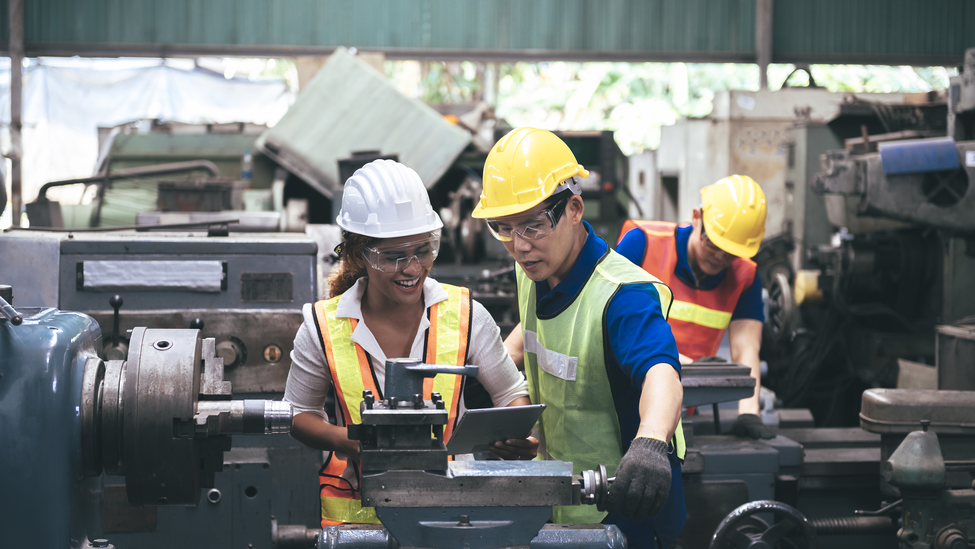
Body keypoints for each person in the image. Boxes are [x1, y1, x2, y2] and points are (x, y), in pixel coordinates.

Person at [283, 159, 538, 528]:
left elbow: (511, 395)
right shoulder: (322, 325)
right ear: (358, 255)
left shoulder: (467, 315)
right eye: (394, 256)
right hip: (359, 520)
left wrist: (518, 437)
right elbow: (297, 415)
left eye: (423, 250)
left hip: (453, 513)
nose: (413, 268)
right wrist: (350, 441)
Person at [472, 127, 686, 549]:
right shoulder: (534, 265)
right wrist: (482, 386)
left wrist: (649, 444)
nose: (519, 246)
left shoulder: (622, 296)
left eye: (532, 225)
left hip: (630, 502)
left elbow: (661, 372)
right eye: (503, 228)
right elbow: (528, 336)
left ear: (573, 208)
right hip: (563, 493)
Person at [616, 175, 772, 440]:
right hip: (626, 395)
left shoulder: (744, 277)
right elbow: (611, 324)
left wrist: (749, 411)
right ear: (696, 217)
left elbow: (747, 346)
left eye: (731, 252)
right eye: (714, 243)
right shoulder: (642, 245)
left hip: (687, 403)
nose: (721, 257)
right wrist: (681, 363)